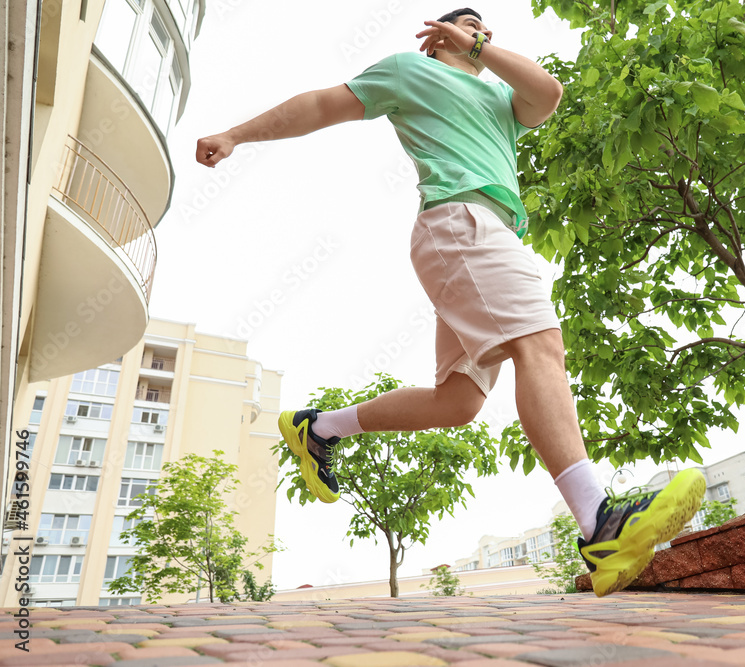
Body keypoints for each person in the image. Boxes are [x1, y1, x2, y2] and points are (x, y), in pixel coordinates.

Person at [196, 8, 705, 597]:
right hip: (462, 223)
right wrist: (234, 134)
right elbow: (319, 106)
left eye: (483, 26)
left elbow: (549, 93)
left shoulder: (500, 101)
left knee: (458, 401)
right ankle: (599, 523)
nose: (478, 30)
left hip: (480, 236)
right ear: (438, 36)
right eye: (466, 22)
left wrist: (483, 47)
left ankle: (318, 428)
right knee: (539, 346)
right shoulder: (412, 72)